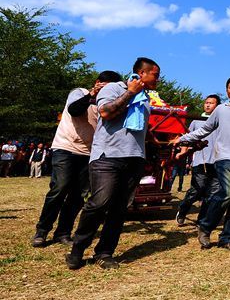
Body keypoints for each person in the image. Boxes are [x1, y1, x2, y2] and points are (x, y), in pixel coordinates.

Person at [67, 59, 160, 270]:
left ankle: (105, 252)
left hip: (135, 158)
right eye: (155, 74)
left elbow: (141, 129)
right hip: (107, 156)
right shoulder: (113, 88)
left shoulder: (147, 99)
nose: (158, 79)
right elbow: (107, 113)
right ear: (141, 73)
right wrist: (131, 93)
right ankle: (78, 248)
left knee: (119, 208)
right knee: (99, 203)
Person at [32, 72, 121, 248]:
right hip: (66, 148)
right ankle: (42, 231)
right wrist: (91, 94)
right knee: (60, 188)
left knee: (78, 196)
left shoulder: (108, 104)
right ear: (98, 83)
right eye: (107, 86)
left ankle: (63, 232)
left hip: (90, 153)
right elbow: (74, 110)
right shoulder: (79, 93)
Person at [174, 76, 230, 251]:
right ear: (227, 90)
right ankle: (205, 226)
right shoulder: (220, 110)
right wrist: (183, 139)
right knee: (228, 193)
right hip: (224, 158)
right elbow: (205, 129)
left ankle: (227, 238)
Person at [176, 95, 221, 226]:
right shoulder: (196, 121)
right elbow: (187, 137)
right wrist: (183, 151)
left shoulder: (220, 122)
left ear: (217, 106)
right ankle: (183, 210)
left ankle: (202, 220)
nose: (207, 105)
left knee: (211, 194)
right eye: (206, 103)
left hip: (217, 163)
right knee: (196, 190)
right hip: (200, 162)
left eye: (211, 103)